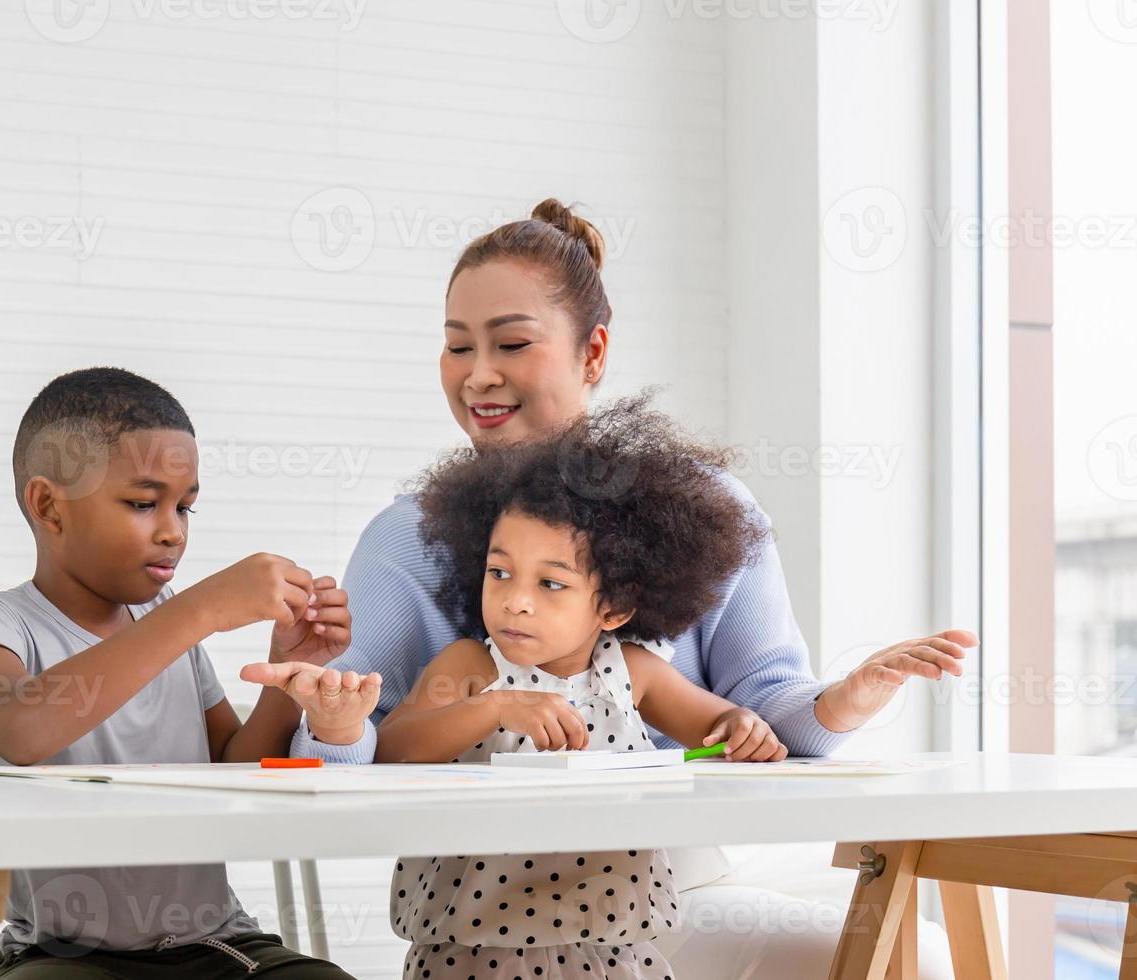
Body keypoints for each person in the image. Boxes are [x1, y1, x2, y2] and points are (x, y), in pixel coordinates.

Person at [245, 200, 973, 978]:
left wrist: (849, 699)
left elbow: (765, 720)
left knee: (912, 953)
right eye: (457, 346)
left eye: (512, 343)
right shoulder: (406, 538)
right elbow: (347, 761)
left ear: (593, 353)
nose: (478, 374)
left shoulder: (706, 512)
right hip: (480, 906)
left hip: (658, 886)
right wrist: (331, 720)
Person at [0, 367, 377, 979]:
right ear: (48, 506)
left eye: (185, 507)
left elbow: (231, 766)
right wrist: (203, 609)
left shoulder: (167, 625)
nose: (172, 531)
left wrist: (288, 676)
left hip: (215, 945)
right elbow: (20, 730)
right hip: (60, 957)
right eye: (143, 504)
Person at [377, 393, 786, 979]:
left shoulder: (633, 671)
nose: (515, 599)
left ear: (614, 605)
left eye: (551, 583)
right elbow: (393, 748)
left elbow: (718, 727)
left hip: (615, 946)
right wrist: (495, 708)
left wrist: (741, 728)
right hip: (479, 949)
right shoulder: (472, 666)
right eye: (500, 572)